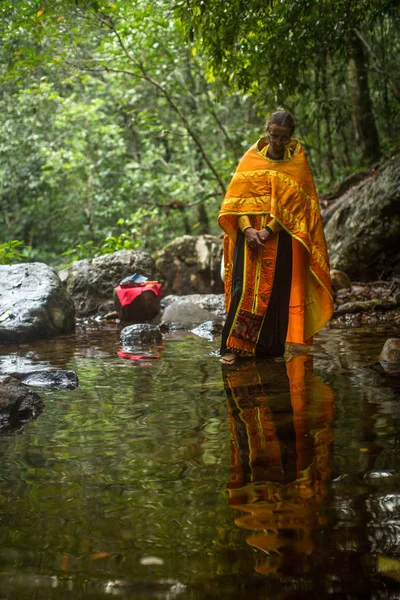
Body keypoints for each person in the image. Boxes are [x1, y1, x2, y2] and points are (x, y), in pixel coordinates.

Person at [219, 110, 333, 365]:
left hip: (278, 238)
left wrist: (268, 231)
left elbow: (296, 210)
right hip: (247, 236)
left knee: (275, 294)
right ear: (266, 131)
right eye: (273, 136)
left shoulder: (297, 166)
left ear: (290, 137)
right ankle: (232, 347)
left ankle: (269, 351)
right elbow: (235, 203)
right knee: (242, 291)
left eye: (283, 137)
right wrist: (248, 230)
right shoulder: (250, 159)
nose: (277, 142)